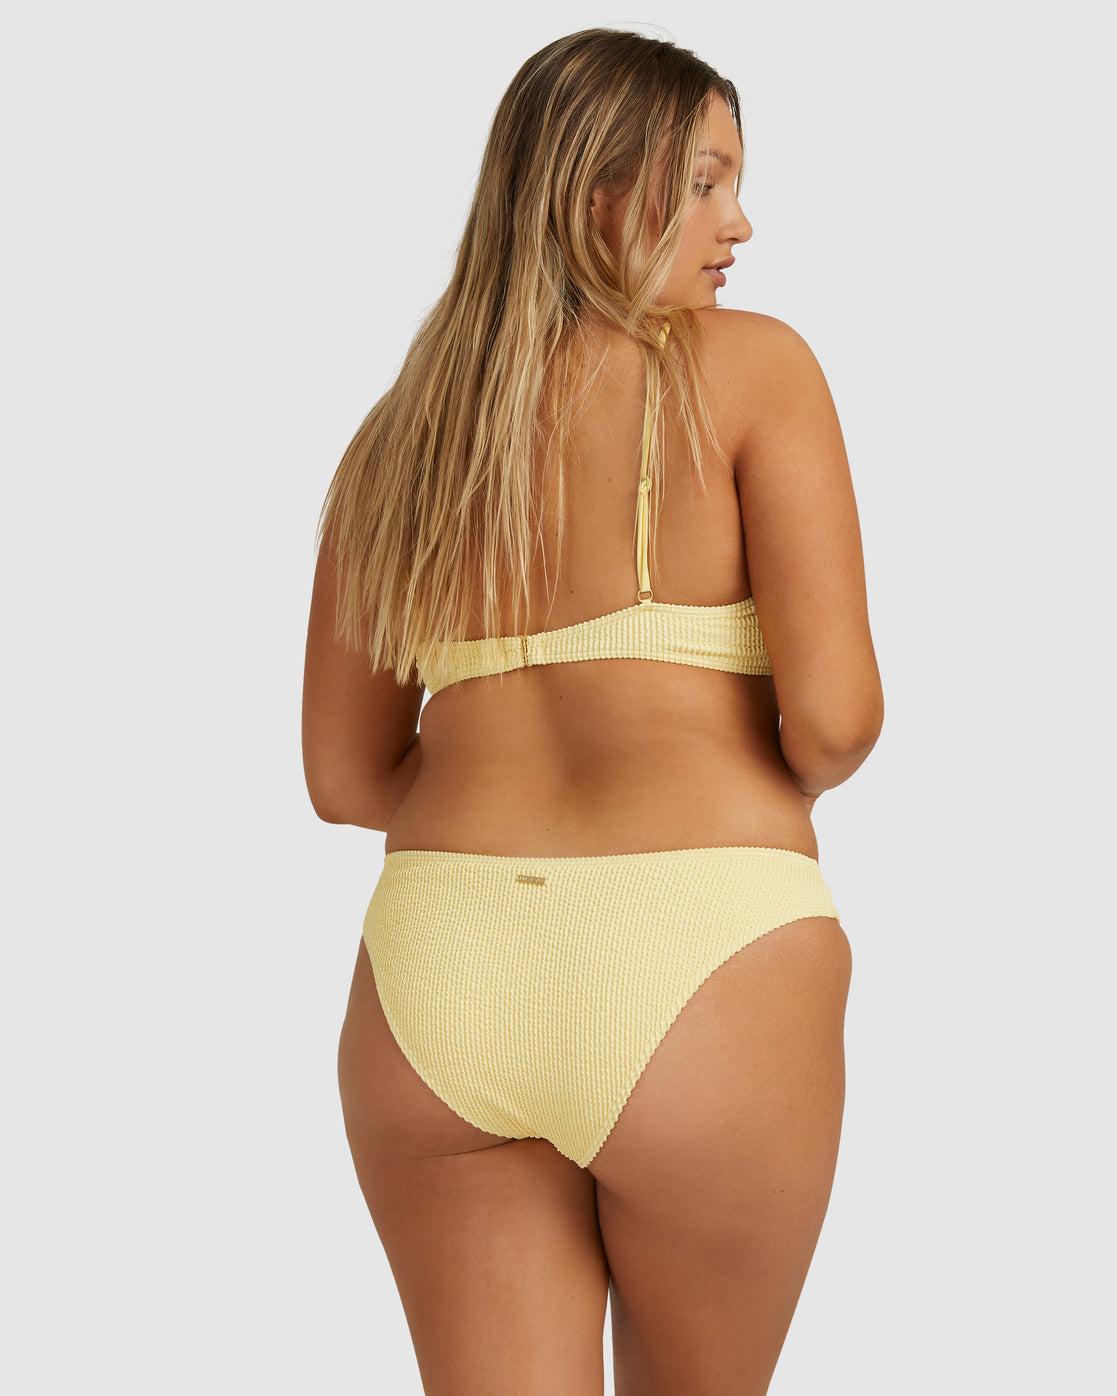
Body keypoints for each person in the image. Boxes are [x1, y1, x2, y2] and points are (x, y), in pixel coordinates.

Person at [302, 27, 883, 1396]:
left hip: (442, 973)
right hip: (704, 952)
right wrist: (730, 767)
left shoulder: (400, 438)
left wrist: (497, 785)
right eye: (706, 181)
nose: (739, 223)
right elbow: (837, 719)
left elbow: (342, 777)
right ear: (595, 192)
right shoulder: (755, 368)